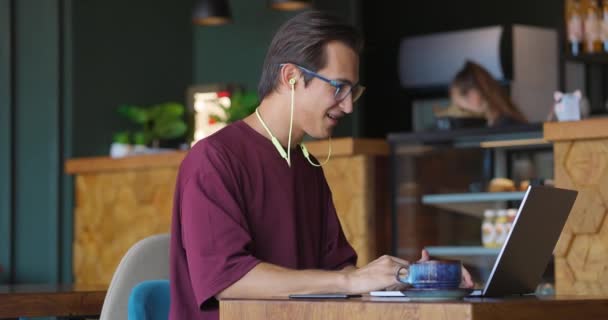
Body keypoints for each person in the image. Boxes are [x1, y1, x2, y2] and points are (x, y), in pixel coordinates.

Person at [169, 11, 473, 320]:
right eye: (338, 87)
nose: (348, 105)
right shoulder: (213, 160)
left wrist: (409, 280)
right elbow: (230, 280)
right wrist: (350, 280)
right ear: (291, 77)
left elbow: (336, 269)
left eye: (353, 90)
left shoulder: (307, 165)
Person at [450, 61, 527, 127]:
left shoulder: (504, 126)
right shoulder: (502, 120)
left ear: (473, 96)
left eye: (462, 108)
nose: (466, 111)